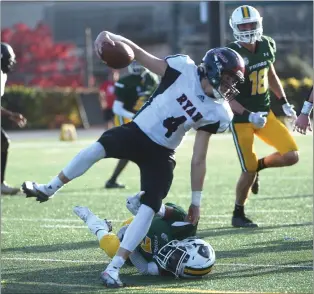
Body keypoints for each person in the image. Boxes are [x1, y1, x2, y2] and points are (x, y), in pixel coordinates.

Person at [22, 30, 246, 287]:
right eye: (228, 79)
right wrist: (110, 36)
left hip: (162, 153)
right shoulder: (182, 68)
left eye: (233, 82)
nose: (230, 87)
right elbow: (139, 54)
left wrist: (197, 201)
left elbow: (199, 158)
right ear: (214, 69)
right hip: (137, 132)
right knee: (97, 149)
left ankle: (114, 268)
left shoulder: (218, 112)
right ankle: (49, 187)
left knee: (150, 207)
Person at [227, 5, 299, 228]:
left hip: (265, 113)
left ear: (259, 24)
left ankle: (260, 165)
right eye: (243, 25)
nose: (248, 29)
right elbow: (226, 95)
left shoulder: (266, 44)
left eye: (252, 24)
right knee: (246, 169)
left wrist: (284, 102)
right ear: (235, 28)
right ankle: (238, 213)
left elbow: (271, 73)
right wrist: (248, 115)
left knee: (291, 155)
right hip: (241, 121)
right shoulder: (230, 54)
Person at [73, 191, 215, 280]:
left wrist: (131, 247)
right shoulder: (184, 227)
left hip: (138, 251)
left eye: (175, 265)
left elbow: (145, 269)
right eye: (177, 257)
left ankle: (97, 224)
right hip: (141, 223)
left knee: (112, 248)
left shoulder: (170, 268)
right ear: (188, 244)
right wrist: (141, 207)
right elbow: (164, 210)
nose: (169, 260)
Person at [105, 62, 159, 189]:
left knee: (138, 148)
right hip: (125, 116)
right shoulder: (125, 81)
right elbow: (117, 108)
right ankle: (113, 180)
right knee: (131, 148)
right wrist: (134, 116)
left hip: (142, 116)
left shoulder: (152, 79)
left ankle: (112, 180)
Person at [1, 42, 27, 195]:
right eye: (9, 60)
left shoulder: (2, 75)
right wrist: (11, 114)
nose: (11, 63)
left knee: (3, 142)